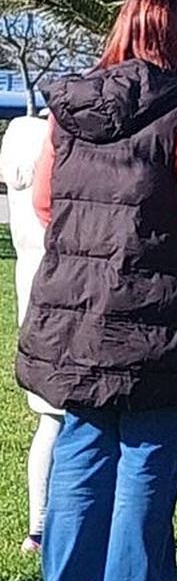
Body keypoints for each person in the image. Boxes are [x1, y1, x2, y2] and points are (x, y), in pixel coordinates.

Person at [18, 0, 177, 581]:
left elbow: (45, 202)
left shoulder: (69, 111)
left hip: (78, 304)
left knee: (82, 441)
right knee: (150, 446)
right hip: (161, 304)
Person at [1, 112, 58, 553]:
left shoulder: (16, 175)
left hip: (30, 299)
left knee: (48, 420)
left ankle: (37, 524)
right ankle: (45, 523)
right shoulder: (50, 173)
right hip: (59, 298)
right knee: (62, 423)